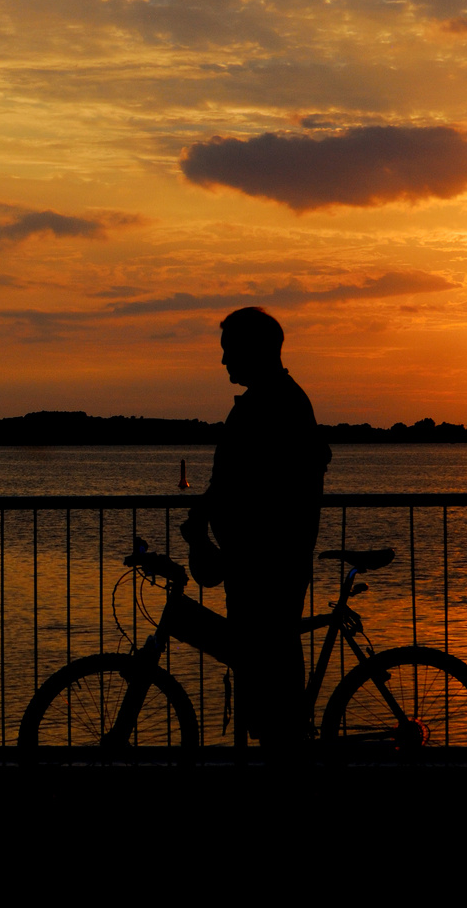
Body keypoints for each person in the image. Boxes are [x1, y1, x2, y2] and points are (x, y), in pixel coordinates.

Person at [180, 306, 330, 749]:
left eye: (229, 351)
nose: (223, 361)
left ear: (252, 350)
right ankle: (277, 755)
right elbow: (233, 479)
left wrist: (211, 519)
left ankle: (283, 762)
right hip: (260, 561)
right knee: (266, 672)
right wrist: (208, 512)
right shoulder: (275, 399)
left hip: (267, 565)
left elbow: (258, 484)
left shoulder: (274, 404)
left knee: (269, 677)